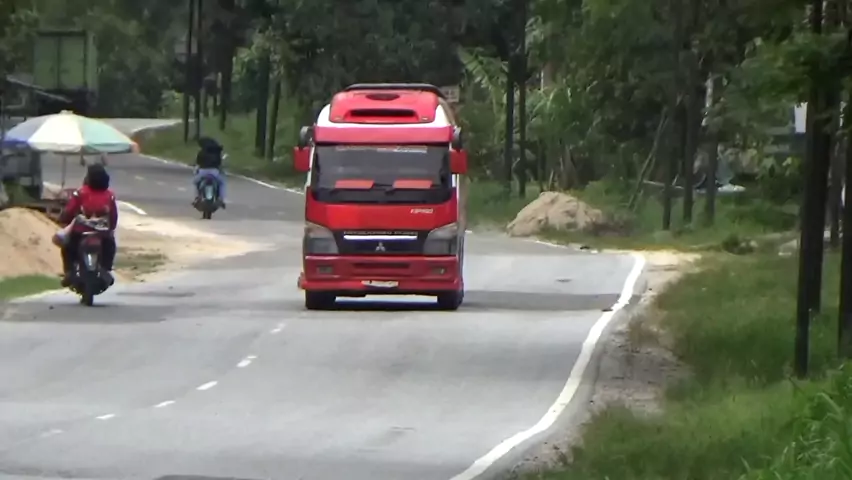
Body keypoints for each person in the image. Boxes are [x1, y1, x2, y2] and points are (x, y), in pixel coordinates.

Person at [57, 164, 118, 287]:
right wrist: (111, 228)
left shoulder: (80, 193)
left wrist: (64, 219)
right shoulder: (109, 195)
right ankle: (106, 269)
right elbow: (113, 216)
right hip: (102, 232)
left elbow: (70, 210)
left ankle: (69, 271)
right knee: (110, 246)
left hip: (80, 231)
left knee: (68, 246)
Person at [193, 136, 226, 208]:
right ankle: (221, 199)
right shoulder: (217, 153)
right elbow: (219, 164)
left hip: (203, 172)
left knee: (196, 182)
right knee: (222, 183)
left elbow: (198, 163)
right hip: (214, 172)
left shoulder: (201, 153)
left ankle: (197, 197)